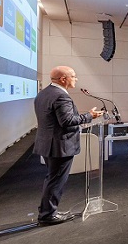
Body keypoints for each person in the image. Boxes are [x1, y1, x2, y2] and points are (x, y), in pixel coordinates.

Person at [34, 66, 102, 225]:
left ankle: (48, 210)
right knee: (56, 180)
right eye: (73, 76)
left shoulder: (44, 93)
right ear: (63, 79)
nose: (76, 79)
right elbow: (67, 121)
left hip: (48, 143)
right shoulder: (60, 96)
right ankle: (47, 215)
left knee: (52, 178)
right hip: (59, 145)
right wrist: (89, 116)